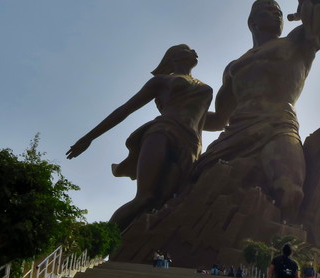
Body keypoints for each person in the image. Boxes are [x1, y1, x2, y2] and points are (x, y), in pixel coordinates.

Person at [194, 0, 320, 222]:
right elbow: (219, 119)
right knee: (195, 184)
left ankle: (281, 250)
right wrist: (182, 116)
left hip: (278, 126)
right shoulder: (233, 68)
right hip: (236, 132)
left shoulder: (298, 41)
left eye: (278, 11)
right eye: (268, 10)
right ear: (253, 22)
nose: (276, 13)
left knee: (291, 191)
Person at [67, 44, 225, 230]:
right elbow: (125, 109)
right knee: (145, 197)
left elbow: (215, 123)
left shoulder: (204, 87)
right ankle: (98, 245)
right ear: (172, 58)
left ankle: (141, 247)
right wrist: (89, 137)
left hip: (191, 144)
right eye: (186, 48)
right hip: (163, 132)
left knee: (172, 200)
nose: (193, 50)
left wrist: (240, 103)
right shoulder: (161, 81)